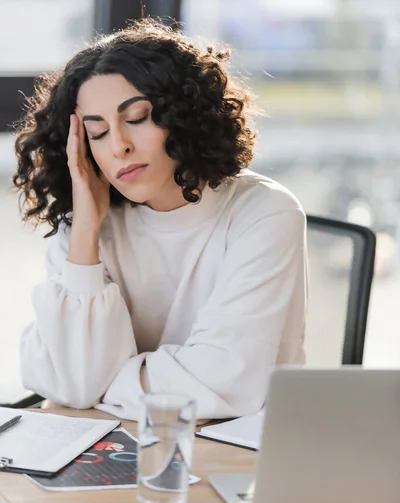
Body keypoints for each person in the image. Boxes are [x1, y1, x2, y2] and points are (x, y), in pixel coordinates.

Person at [13, 19, 307, 421]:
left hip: (233, 451)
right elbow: (68, 383)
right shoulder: (85, 224)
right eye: (97, 133)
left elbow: (225, 382)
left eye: (137, 117)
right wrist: (84, 234)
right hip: (112, 441)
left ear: (183, 113)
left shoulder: (264, 213)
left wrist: (98, 384)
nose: (120, 146)